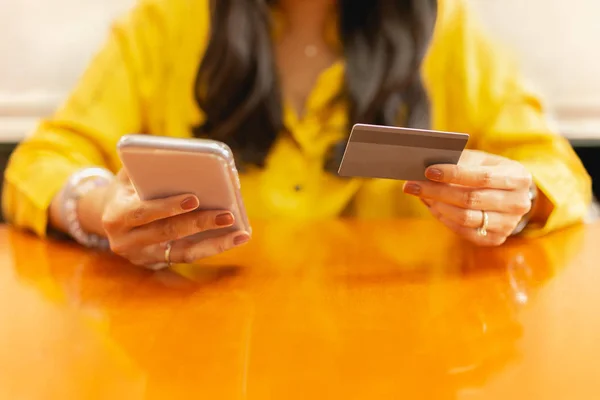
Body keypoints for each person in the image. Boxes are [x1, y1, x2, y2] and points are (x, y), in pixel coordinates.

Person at [2, 0, 592, 268]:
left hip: (403, 352)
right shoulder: (169, 19)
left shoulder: (446, 24)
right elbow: (43, 162)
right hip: (199, 347)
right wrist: (99, 205)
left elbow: (549, 168)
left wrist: (520, 197)